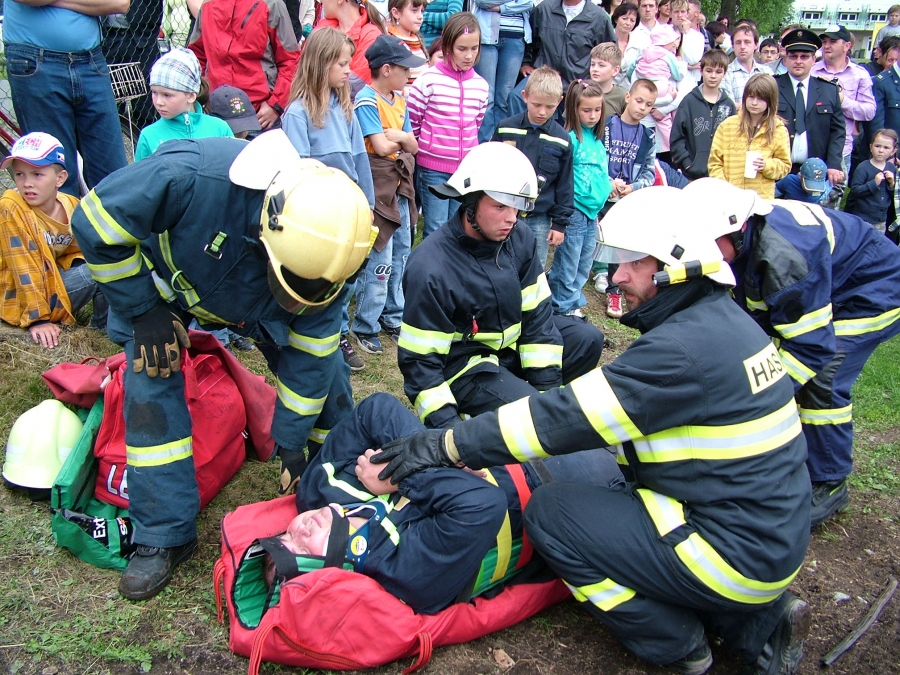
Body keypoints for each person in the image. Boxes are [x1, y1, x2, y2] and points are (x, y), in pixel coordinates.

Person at [372, 185, 814, 675]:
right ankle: (754, 624)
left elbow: (558, 421)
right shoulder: (726, 323)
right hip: (769, 534)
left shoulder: (679, 353)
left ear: (676, 265)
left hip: (729, 551)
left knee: (553, 514)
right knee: (611, 493)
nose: (617, 275)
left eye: (635, 262)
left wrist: (446, 444)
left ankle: (677, 642)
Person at [70, 132, 377, 600]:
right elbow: (95, 220)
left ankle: (335, 478)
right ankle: (164, 535)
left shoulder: (333, 252)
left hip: (256, 303)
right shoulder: (190, 177)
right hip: (165, 293)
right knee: (151, 383)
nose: (303, 300)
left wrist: (292, 444)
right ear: (268, 227)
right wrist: (142, 309)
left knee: (328, 376)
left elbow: (311, 358)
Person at [259, 392, 624, 614]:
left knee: (597, 401)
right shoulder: (404, 572)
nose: (300, 530)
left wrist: (439, 453)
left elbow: (376, 410)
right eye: (301, 550)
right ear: (331, 575)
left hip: (494, 443)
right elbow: (482, 503)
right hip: (558, 487)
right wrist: (403, 473)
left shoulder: (316, 490)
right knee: (634, 444)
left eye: (285, 537)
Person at [684, 176, 900, 528]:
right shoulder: (741, 238)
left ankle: (828, 480)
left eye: (707, 242)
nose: (702, 251)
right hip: (829, 280)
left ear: (738, 229)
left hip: (871, 290)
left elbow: (812, 347)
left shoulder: (784, 259)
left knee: (823, 378)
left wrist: (757, 400)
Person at [397, 142, 604, 429]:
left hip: (508, 351)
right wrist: (448, 430)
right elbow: (420, 363)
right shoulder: (431, 266)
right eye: (500, 206)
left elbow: (537, 318)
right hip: (464, 369)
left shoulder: (520, 237)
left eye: (517, 206)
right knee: (535, 419)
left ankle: (526, 414)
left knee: (586, 339)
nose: (511, 218)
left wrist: (547, 397)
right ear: (471, 202)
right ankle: (486, 421)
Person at [282, 28, 377, 373]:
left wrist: (369, 205)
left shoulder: (346, 109)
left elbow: (359, 159)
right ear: (320, 65)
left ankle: (338, 331)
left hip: (351, 209)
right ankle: (318, 332)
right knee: (322, 276)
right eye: (341, 63)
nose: (349, 70)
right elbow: (298, 171)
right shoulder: (297, 114)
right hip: (320, 213)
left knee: (347, 274)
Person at [3, 0, 129, 197]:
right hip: (35, 61)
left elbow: (119, 3)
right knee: (55, 177)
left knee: (114, 178)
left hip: (91, 62)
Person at [349, 36, 424, 355]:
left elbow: (414, 145)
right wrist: (403, 140)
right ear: (386, 69)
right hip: (379, 185)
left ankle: (393, 315)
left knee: (402, 252)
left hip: (400, 186)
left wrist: (403, 138)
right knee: (380, 254)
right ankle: (366, 323)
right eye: (404, 69)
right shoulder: (367, 100)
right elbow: (379, 147)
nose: (409, 74)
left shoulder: (400, 100)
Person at [0, 133, 107, 349]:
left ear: (60, 178)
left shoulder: (70, 204)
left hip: (50, 282)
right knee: (101, 270)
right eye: (19, 174)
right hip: (19, 298)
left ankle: (105, 327)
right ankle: (110, 327)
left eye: (37, 174)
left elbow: (82, 248)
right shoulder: (11, 207)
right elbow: (23, 267)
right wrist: (38, 319)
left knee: (106, 259)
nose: (27, 183)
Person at [408, 12, 490, 238]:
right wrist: (428, 147)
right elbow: (414, 121)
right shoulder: (428, 80)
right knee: (435, 227)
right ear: (447, 47)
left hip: (464, 170)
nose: (469, 55)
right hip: (433, 168)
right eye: (462, 49)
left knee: (459, 227)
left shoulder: (481, 86)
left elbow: (476, 123)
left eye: (474, 48)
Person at [492, 66, 574, 267]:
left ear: (560, 101)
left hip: (540, 217)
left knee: (533, 267)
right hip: (505, 210)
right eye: (536, 104)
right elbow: (490, 169)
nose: (542, 112)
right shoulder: (505, 128)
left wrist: (560, 224)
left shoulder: (562, 139)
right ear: (525, 96)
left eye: (550, 106)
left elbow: (565, 184)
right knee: (497, 261)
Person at [547, 81, 611, 318]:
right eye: (586, 110)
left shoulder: (597, 140)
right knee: (569, 260)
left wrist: (607, 186)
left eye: (597, 110)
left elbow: (600, 172)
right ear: (574, 109)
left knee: (585, 261)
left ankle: (572, 299)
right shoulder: (571, 139)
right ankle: (561, 306)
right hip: (575, 209)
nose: (593, 116)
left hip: (593, 212)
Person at [188, 0, 301, 131]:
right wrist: (201, 98)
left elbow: (290, 60)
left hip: (258, 114)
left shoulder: (271, 4)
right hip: (215, 110)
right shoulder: (208, 5)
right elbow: (196, 58)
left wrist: (275, 105)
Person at [603, 79, 658, 318]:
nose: (642, 108)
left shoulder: (648, 136)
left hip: (626, 199)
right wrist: (607, 181)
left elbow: (649, 171)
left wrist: (634, 187)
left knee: (620, 247)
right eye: (639, 101)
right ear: (627, 97)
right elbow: (595, 158)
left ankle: (614, 291)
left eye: (649, 104)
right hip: (601, 193)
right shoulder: (607, 125)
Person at [811, 25, 876, 209]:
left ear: (847, 45)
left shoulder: (859, 74)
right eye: (824, 41)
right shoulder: (812, 71)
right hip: (811, 146)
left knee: (832, 206)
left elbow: (869, 111)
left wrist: (842, 101)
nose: (827, 45)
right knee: (806, 203)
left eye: (833, 41)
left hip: (841, 149)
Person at [135, 49, 234, 162]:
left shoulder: (219, 128)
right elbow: (140, 173)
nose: (159, 102)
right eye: (154, 92)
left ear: (191, 96)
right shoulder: (149, 136)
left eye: (167, 95)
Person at [774, 29, 846, 183]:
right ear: (785, 59)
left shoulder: (829, 90)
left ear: (814, 59)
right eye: (793, 56)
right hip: (776, 169)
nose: (798, 61)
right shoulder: (772, 87)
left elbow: (837, 131)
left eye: (804, 56)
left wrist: (833, 164)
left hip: (816, 170)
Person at [708, 73, 790, 199]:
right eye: (751, 97)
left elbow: (785, 165)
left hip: (761, 199)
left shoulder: (778, 130)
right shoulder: (727, 126)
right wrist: (725, 188)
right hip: (730, 197)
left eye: (761, 99)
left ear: (770, 100)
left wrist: (766, 165)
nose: (754, 103)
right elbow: (714, 163)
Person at [517, 0, 615, 97]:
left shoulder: (599, 17)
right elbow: (529, 39)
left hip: (578, 85)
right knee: (516, 97)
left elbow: (609, 53)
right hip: (543, 79)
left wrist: (594, 80)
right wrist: (525, 63)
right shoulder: (544, 9)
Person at [473, 0, 533, 142]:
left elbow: (529, 3)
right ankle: (484, 143)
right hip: (486, 36)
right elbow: (482, 2)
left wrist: (500, 8)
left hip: (515, 38)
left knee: (504, 98)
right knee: (487, 96)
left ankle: (500, 142)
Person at [670, 49, 736, 180]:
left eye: (718, 72)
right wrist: (687, 163)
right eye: (709, 70)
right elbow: (677, 137)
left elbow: (734, 140)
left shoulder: (728, 105)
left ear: (724, 73)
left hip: (720, 175)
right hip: (692, 175)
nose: (713, 76)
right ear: (701, 71)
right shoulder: (689, 101)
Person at [315, 0, 388, 85]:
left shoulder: (371, 36)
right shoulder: (323, 28)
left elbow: (357, 84)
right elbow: (305, 68)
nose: (321, 1)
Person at [845, 128, 898, 233]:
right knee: (862, 241)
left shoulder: (891, 168)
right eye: (877, 146)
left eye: (886, 147)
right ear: (871, 147)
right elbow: (855, 190)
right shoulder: (863, 167)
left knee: (877, 242)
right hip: (863, 219)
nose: (881, 150)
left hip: (881, 220)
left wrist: (892, 184)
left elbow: (895, 196)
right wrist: (874, 183)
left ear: (893, 151)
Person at [721, 23, 771, 109]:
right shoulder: (725, 73)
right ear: (733, 46)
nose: (742, 47)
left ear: (756, 45)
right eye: (738, 42)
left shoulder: (767, 72)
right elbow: (729, 106)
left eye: (747, 42)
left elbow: (772, 102)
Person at [387, 0, 430, 93]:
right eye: (414, 10)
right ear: (396, 13)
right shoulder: (389, 43)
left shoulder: (418, 41)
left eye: (422, 11)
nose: (420, 16)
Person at [590, 43, 627, 123]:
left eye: (601, 65)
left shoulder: (622, 97)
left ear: (615, 70)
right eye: (592, 64)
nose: (595, 69)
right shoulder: (581, 90)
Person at [611, 3, 639, 89]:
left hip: (628, 90)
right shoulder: (606, 38)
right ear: (616, 19)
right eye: (624, 18)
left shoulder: (638, 44)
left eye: (632, 20)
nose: (628, 23)